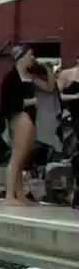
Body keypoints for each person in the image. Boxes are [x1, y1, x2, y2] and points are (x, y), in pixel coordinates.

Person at [0, 45, 56, 205]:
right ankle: (9, 196)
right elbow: (7, 102)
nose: (33, 58)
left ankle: (19, 193)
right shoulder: (10, 77)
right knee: (17, 156)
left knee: (22, 157)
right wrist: (30, 101)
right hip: (18, 116)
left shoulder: (30, 76)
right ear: (21, 57)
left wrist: (49, 70)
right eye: (30, 55)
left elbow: (50, 88)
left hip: (29, 116)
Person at [56, 56, 79, 208]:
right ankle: (71, 192)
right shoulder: (66, 74)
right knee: (73, 156)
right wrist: (76, 96)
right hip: (71, 118)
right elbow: (57, 96)